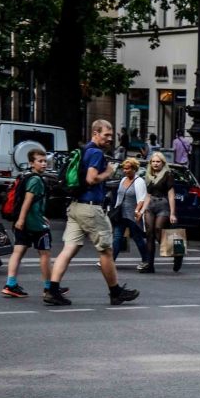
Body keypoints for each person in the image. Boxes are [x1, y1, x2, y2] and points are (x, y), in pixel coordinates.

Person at [44, 120, 139, 306]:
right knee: (106, 250)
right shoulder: (96, 153)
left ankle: (52, 290)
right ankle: (115, 292)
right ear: (95, 133)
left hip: (75, 206)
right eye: (106, 135)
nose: (109, 139)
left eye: (111, 136)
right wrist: (109, 173)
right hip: (90, 207)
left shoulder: (84, 150)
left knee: (68, 249)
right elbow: (91, 178)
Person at [2, 148, 53, 298]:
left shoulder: (25, 175)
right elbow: (28, 201)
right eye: (40, 161)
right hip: (34, 224)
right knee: (45, 253)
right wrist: (22, 219)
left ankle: (10, 284)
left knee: (18, 252)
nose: (44, 164)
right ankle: (48, 287)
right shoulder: (36, 179)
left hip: (25, 222)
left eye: (45, 161)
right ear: (32, 163)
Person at [142, 150, 180, 272]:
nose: (155, 164)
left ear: (163, 163)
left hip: (162, 204)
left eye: (158, 161)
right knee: (149, 234)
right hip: (150, 205)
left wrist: (172, 213)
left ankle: (176, 254)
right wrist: (142, 209)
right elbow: (148, 195)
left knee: (159, 230)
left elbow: (171, 195)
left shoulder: (167, 175)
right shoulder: (149, 175)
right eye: (153, 161)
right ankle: (150, 265)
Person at [111, 157, 150, 266]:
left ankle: (146, 259)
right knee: (117, 237)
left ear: (134, 169)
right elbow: (119, 196)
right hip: (121, 214)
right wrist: (115, 209)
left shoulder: (139, 181)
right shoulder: (123, 180)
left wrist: (138, 212)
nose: (125, 171)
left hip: (133, 215)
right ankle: (111, 260)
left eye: (127, 169)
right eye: (124, 168)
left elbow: (142, 199)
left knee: (138, 238)